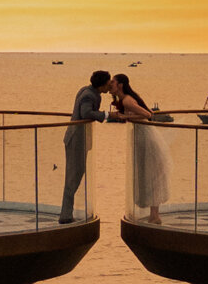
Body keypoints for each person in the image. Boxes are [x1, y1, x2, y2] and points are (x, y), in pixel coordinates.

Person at [113, 73, 170, 223]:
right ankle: (153, 214)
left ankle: (155, 215)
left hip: (146, 137)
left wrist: (125, 117)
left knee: (150, 174)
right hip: (141, 135)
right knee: (148, 174)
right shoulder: (125, 100)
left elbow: (147, 114)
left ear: (120, 85)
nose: (111, 84)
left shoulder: (127, 101)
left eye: (113, 82)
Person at [60, 69, 110, 222]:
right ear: (102, 84)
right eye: (108, 82)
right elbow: (86, 113)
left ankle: (67, 213)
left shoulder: (87, 90)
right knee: (73, 176)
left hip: (77, 138)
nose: (109, 85)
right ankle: (66, 215)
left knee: (75, 175)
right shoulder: (88, 95)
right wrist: (107, 115)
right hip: (76, 139)